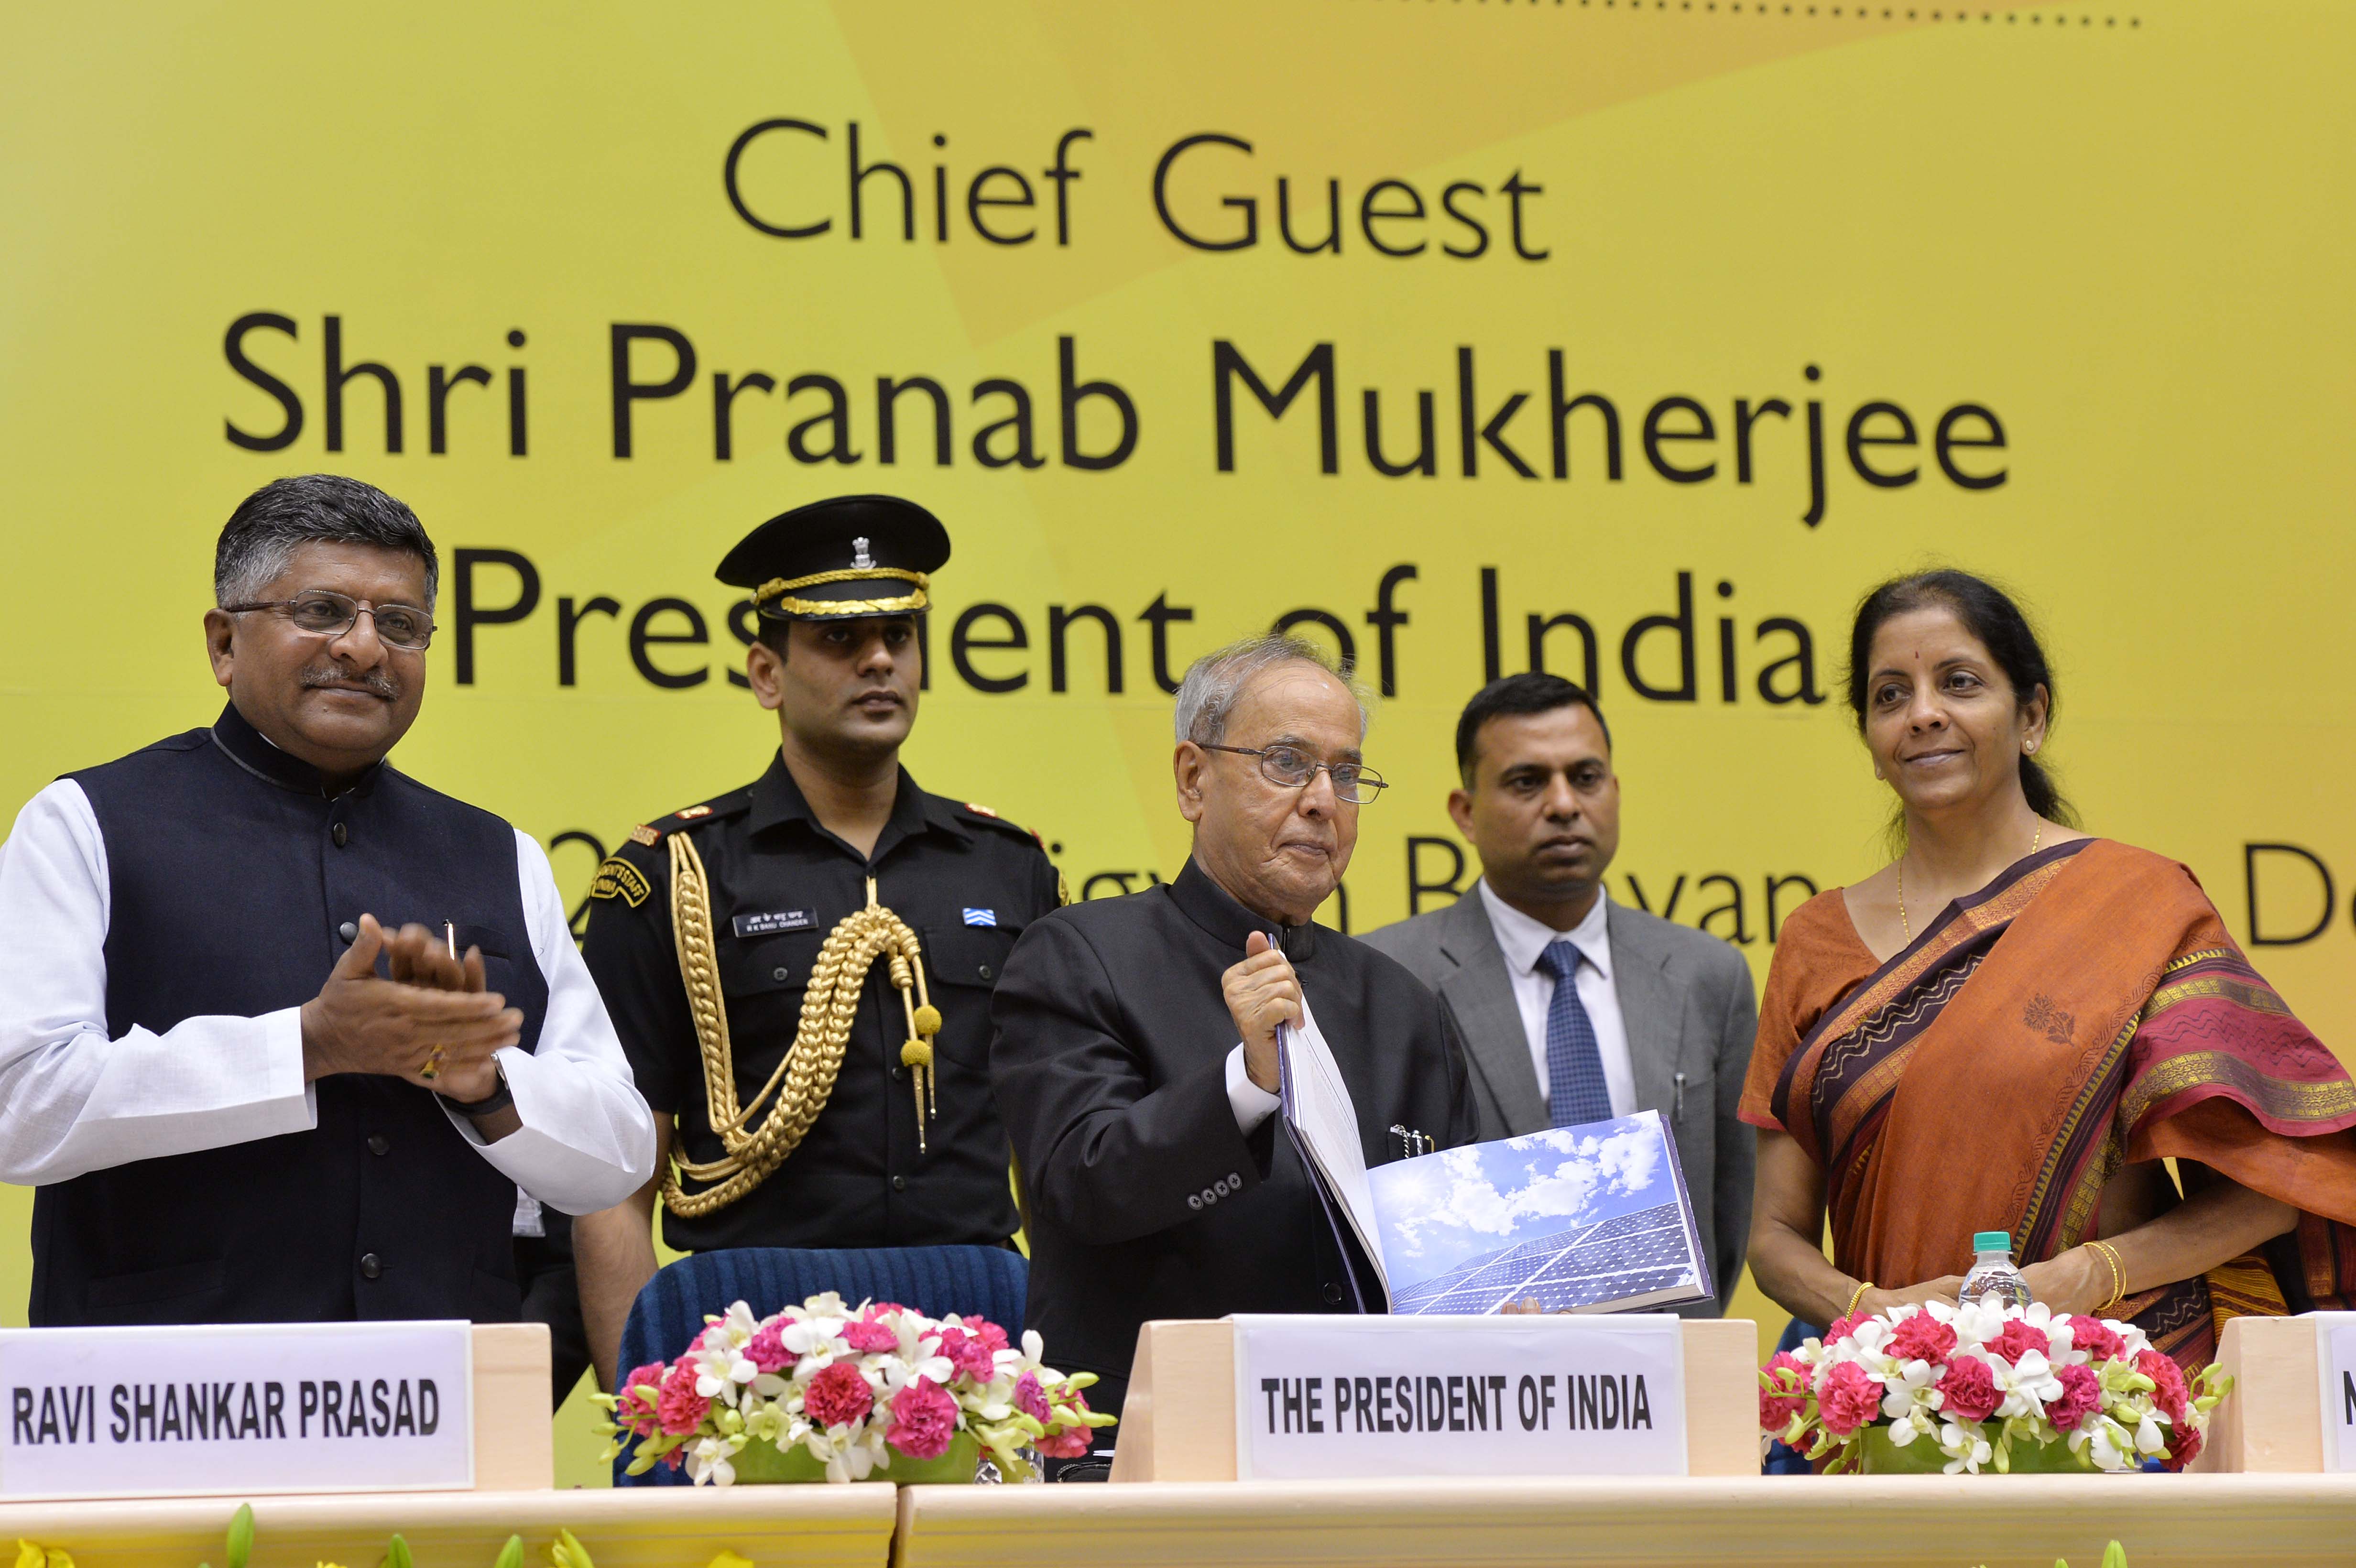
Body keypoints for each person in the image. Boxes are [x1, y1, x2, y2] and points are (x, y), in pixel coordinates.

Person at [0, 475, 655, 1327]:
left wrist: (483, 1082)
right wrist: (304, 1046)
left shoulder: (500, 853)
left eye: (401, 624)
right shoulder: (89, 823)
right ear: (223, 643)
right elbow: (22, 1105)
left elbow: (618, 1152)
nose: (364, 648)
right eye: (320, 612)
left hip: (444, 1396)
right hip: (168, 1403)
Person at [1742, 568, 2355, 1374]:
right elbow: (1774, 1236)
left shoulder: (2138, 906)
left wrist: (2089, 1276)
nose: (1923, 713)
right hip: (1897, 1403)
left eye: (1958, 683)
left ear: (2030, 716)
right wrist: (1874, 1314)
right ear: (1870, 739)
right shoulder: (1815, 939)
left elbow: (2287, 1181)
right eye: (1891, 695)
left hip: (2114, 1392)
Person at [574, 494, 1060, 1394]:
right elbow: (615, 1181)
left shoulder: (1009, 869)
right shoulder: (678, 873)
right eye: (841, 641)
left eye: (899, 637)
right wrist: (649, 1412)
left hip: (977, 1327)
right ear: (767, 673)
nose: (879, 660)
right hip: (751, 1337)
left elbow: (1055, 1161)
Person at [991, 634, 1475, 1428]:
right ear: (1193, 780)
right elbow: (1079, 1190)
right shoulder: (1082, 956)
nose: (1323, 799)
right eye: (1287, 763)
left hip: (1381, 1447)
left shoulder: (1405, 1004)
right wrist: (1245, 1088)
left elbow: (1455, 1247)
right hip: (1160, 1447)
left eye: (1346, 774)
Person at [1361, 674, 1757, 1314]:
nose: (1565, 804)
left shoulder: (1706, 975)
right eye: (1527, 782)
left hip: (1666, 1371)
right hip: (1473, 1384)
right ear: (1464, 812)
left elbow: (1732, 1209)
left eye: (1587, 776)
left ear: (1616, 792)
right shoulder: (1391, 973)